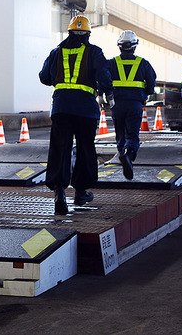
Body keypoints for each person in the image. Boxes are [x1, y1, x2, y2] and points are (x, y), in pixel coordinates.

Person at [39, 15, 113, 215]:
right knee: (85, 148)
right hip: (86, 110)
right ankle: (81, 192)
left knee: (59, 149)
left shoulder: (56, 52)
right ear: (88, 34)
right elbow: (104, 76)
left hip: (61, 107)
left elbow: (44, 77)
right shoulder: (94, 51)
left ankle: (59, 193)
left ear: (69, 32)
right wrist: (108, 93)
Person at [107, 30, 156, 180]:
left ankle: (122, 153)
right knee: (133, 134)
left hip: (117, 104)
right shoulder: (143, 63)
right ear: (135, 46)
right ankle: (129, 154)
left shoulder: (111, 63)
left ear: (119, 46)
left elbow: (103, 79)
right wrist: (146, 93)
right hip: (135, 104)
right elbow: (151, 83)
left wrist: (106, 94)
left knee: (120, 133)